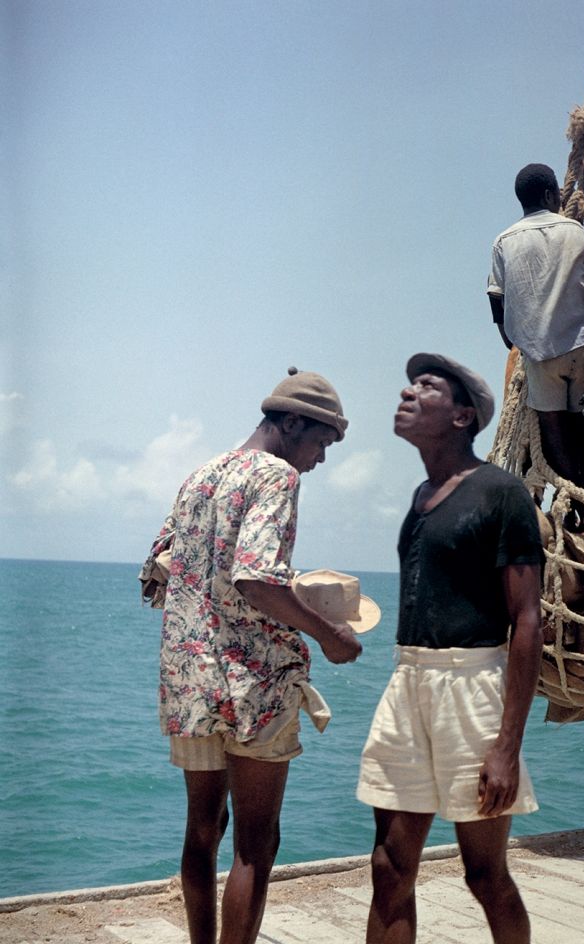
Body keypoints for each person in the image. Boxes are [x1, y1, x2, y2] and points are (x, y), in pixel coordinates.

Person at [139, 367, 363, 944]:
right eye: (320, 442)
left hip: (189, 678)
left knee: (203, 830)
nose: (319, 459)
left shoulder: (199, 475)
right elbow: (256, 581)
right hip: (254, 684)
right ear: (290, 422)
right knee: (256, 843)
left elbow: (158, 569)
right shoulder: (277, 477)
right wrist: (327, 634)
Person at [357, 353, 544, 944]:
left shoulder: (502, 493)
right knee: (389, 867)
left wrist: (506, 748)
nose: (409, 392)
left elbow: (528, 620)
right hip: (408, 681)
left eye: (427, 386)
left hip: (473, 686)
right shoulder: (420, 497)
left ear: (464, 415)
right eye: (409, 383)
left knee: (484, 874)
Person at [487, 164, 584, 500]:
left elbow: (496, 301)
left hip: (537, 353)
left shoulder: (503, 241)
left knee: (553, 430)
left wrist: (513, 342)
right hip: (582, 344)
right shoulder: (576, 232)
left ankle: (573, 503)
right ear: (552, 195)